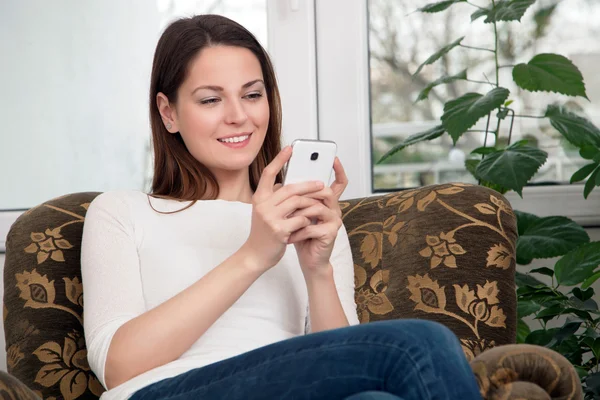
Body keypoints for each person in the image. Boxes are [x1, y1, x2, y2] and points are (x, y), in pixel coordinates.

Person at [81, 14, 483, 400]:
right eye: (210, 100)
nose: (238, 116)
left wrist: (317, 269)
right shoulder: (121, 212)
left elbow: (340, 359)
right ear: (169, 113)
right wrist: (254, 255)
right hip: (170, 391)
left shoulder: (307, 218)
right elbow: (118, 367)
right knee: (421, 343)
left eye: (252, 95)